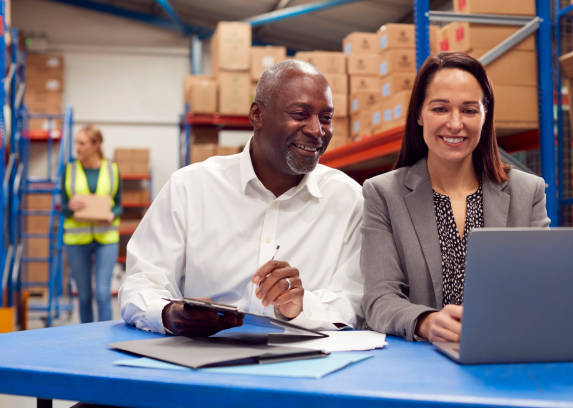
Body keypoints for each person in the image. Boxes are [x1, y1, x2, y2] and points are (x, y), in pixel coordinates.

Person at [119, 60, 364, 336]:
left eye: (326, 118)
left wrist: (300, 306)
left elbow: (355, 300)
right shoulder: (190, 188)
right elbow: (142, 281)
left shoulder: (349, 200)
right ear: (257, 115)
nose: (316, 130)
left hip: (306, 368)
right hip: (202, 362)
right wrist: (170, 314)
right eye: (300, 114)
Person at [360, 52, 550, 343]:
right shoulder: (384, 194)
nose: (455, 123)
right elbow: (379, 299)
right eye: (440, 109)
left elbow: (542, 288)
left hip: (504, 355)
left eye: (470, 110)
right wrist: (425, 321)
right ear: (419, 114)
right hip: (423, 363)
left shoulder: (527, 192)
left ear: (485, 117)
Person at [62, 124, 122, 323]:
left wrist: (112, 214)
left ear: (96, 145)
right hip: (77, 241)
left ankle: (104, 338)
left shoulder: (112, 170)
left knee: (103, 294)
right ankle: (86, 338)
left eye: (82, 143)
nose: (77, 148)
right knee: (85, 296)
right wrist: (70, 206)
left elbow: (119, 205)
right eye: (76, 143)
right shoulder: (69, 170)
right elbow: (63, 207)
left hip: (106, 238)